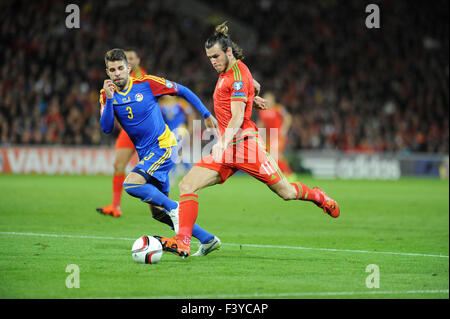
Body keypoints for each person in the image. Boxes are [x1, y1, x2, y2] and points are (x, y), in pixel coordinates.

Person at [156, 22, 340, 258]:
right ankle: (183, 242)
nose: (212, 61)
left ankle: (318, 196)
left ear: (229, 52)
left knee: (286, 192)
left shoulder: (237, 75)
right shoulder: (231, 72)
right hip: (227, 148)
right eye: (209, 57)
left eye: (216, 56)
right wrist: (254, 97)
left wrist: (222, 142)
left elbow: (237, 116)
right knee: (187, 185)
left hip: (245, 144)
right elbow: (252, 85)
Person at [99, 48, 222, 257]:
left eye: (121, 68)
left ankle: (174, 207)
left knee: (131, 184)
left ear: (128, 68)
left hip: (164, 146)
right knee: (157, 213)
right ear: (107, 72)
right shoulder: (106, 95)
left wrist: (206, 113)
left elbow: (182, 90)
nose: (117, 73)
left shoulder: (146, 83)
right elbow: (106, 127)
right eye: (112, 70)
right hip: (147, 154)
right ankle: (208, 240)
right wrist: (110, 99)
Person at [96, 48, 146, 218]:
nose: (129, 61)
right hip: (127, 133)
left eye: (132, 58)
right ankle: (116, 206)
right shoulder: (117, 81)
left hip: (145, 132)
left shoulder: (144, 80)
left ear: (137, 61)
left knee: (152, 173)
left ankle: (167, 204)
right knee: (118, 165)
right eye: (127, 58)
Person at [257, 91, 294, 178]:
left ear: (273, 100)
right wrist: (258, 133)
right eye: (266, 99)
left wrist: (284, 129)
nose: (268, 101)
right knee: (272, 156)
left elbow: (288, 118)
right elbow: (261, 124)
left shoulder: (279, 108)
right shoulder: (262, 111)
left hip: (278, 136)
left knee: (276, 154)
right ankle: (281, 174)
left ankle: (289, 174)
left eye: (269, 99)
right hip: (269, 137)